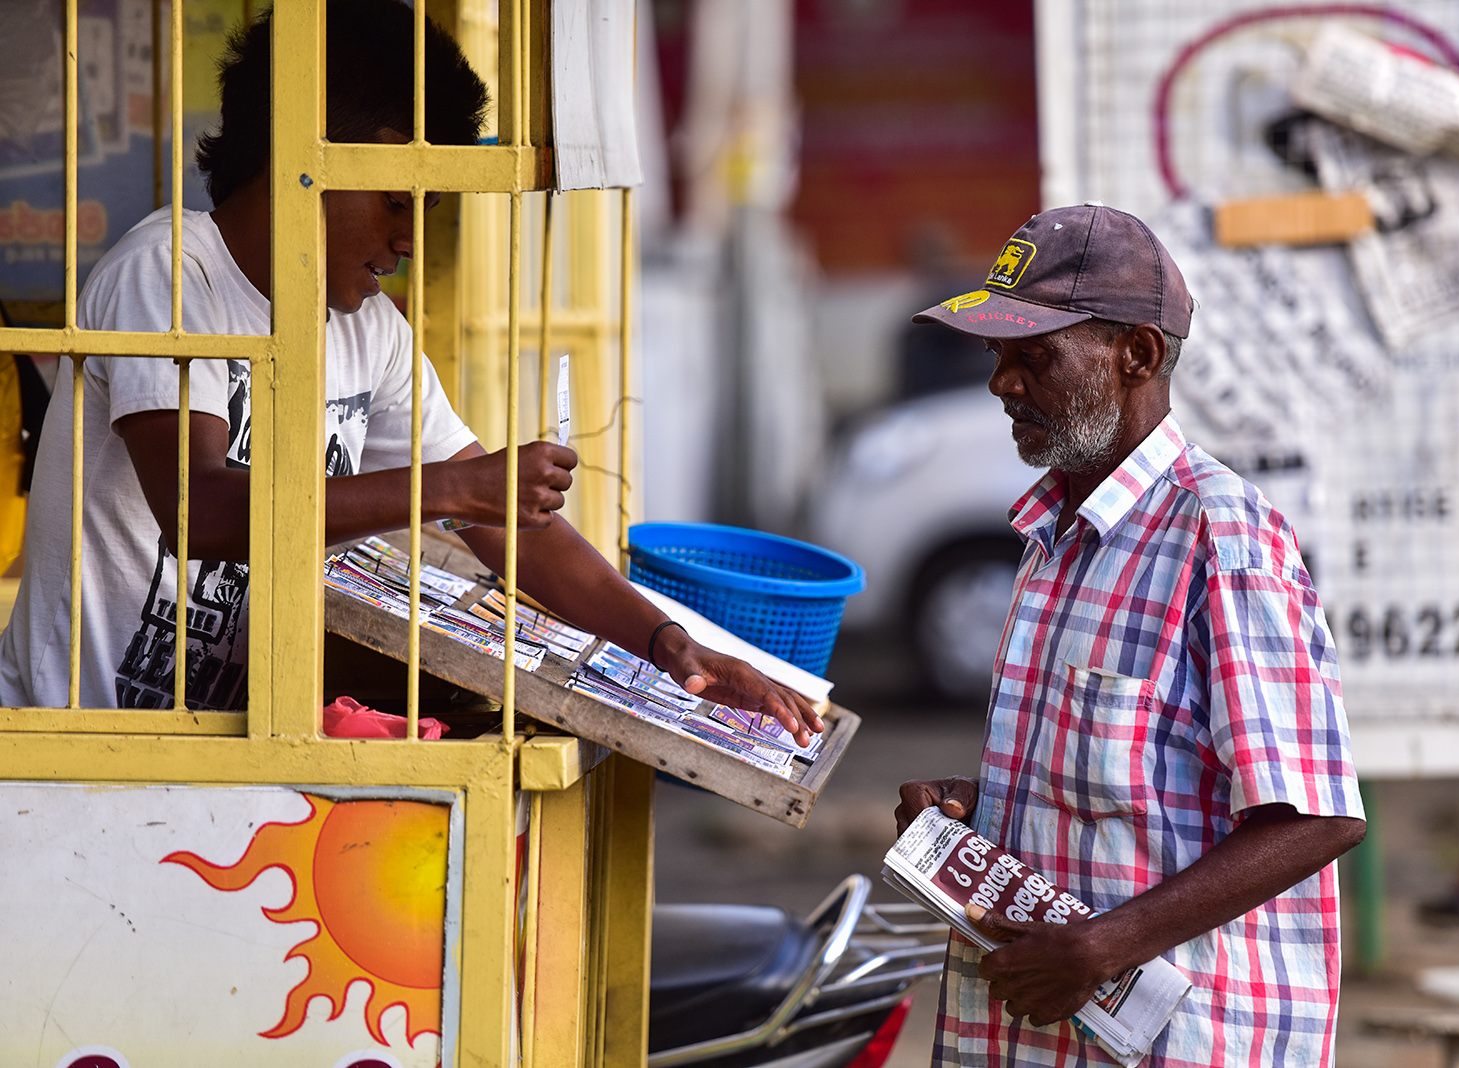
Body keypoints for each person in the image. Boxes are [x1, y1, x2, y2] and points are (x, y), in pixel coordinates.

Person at [0, 0, 822, 746]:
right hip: (79, 750)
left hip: (220, 751)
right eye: (394, 201)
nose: (407, 241)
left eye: (424, 211)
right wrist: (458, 491)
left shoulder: (369, 334)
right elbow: (199, 509)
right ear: (307, 162)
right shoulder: (172, 273)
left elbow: (503, 524)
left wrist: (671, 646)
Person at [894, 204, 1366, 1066]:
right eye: (999, 355)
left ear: (1137, 355)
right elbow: (1134, 784)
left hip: (1179, 1041)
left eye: (1033, 355)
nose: (1002, 383)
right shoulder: (1054, 534)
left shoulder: (1222, 536)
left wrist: (1105, 946)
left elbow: (1316, 816)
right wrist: (981, 805)